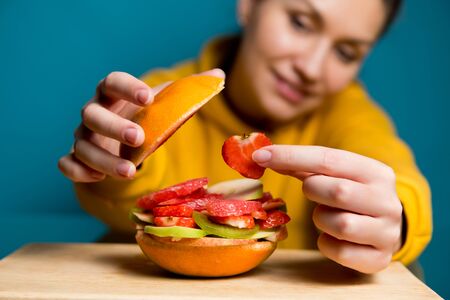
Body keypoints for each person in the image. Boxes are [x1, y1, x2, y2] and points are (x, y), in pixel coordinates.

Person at [58, 0, 432, 274]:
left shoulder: (349, 114)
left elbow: (397, 177)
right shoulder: (159, 95)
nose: (311, 68)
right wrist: (112, 160)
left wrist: (395, 221)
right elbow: (126, 203)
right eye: (301, 22)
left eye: (346, 52)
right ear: (249, 5)